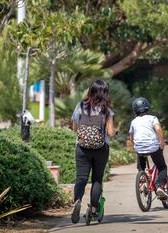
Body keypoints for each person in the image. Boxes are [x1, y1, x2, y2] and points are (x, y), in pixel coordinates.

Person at [70, 80, 117, 224]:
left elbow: (74, 127)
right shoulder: (107, 110)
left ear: (91, 91)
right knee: (97, 179)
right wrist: (115, 132)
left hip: (82, 148)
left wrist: (85, 135)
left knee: (81, 178)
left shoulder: (81, 106)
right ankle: (94, 209)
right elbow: (109, 132)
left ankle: (77, 200)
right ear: (105, 93)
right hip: (101, 149)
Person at [129, 97, 168, 199]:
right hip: (153, 148)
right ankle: (159, 186)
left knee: (141, 166)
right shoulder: (153, 118)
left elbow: (131, 136)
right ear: (147, 107)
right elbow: (158, 129)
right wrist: (162, 142)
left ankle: (142, 180)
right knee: (162, 167)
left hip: (140, 148)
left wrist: (134, 145)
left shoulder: (134, 121)